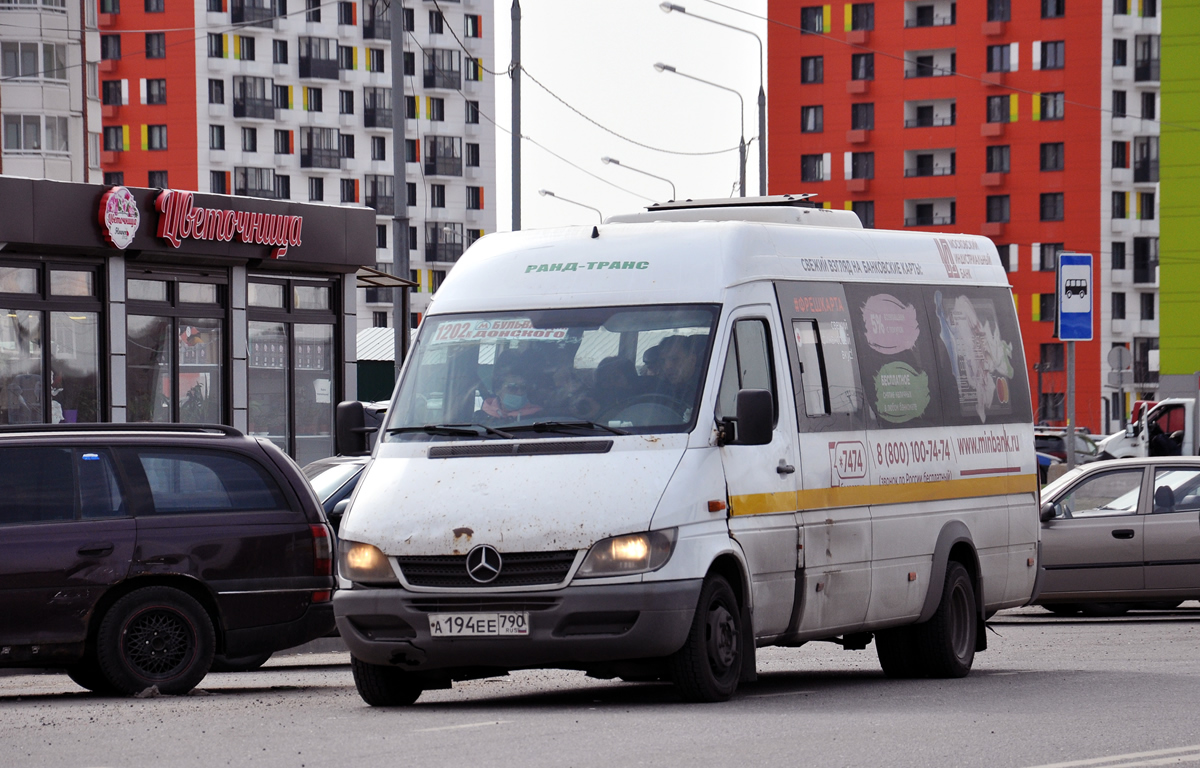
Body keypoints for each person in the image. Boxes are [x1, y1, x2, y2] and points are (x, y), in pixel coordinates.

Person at [478, 368, 542, 423]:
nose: (520, 392)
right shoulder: (480, 419)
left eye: (523, 387)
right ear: (497, 390)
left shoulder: (540, 418)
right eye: (512, 387)